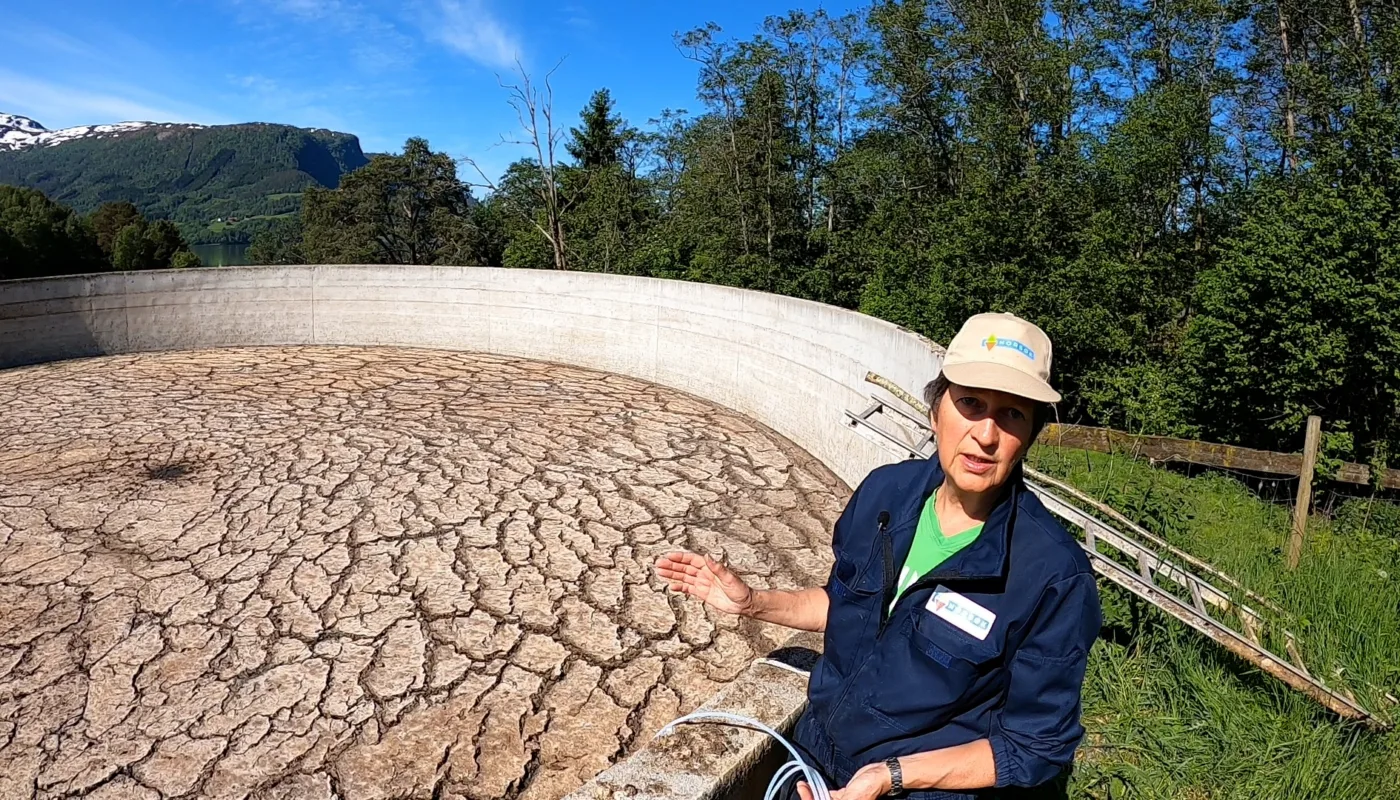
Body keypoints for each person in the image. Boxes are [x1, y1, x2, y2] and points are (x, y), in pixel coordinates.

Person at [655, 312, 1101, 800]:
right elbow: (846, 607)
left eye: (1012, 413)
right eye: (970, 403)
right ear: (936, 413)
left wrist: (887, 777)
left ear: (1030, 436)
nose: (986, 434)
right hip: (815, 758)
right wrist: (754, 603)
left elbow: (1034, 746)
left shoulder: (1054, 577)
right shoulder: (885, 493)